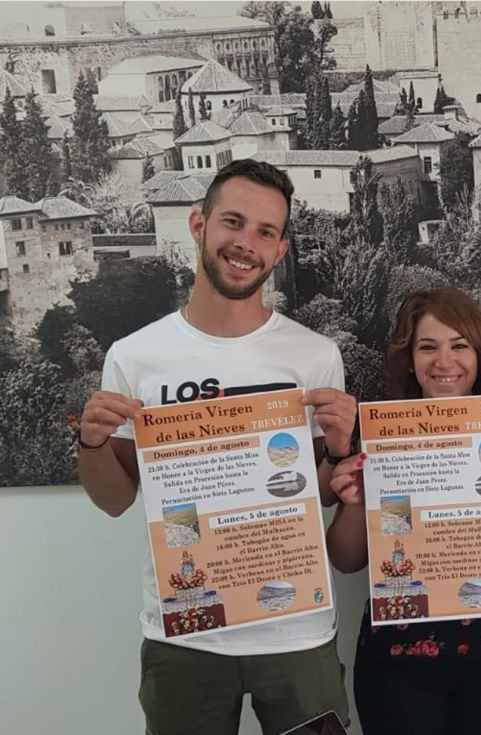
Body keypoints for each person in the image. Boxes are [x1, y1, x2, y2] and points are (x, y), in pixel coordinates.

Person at [77, 159, 356, 734]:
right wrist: (91, 441)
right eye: (234, 222)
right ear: (199, 225)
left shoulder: (316, 356)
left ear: (280, 251)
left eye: (266, 232)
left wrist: (335, 450)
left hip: (296, 630)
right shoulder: (134, 357)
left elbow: (318, 496)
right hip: (186, 634)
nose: (245, 243)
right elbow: (114, 500)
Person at [324, 288, 481, 735]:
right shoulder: (382, 439)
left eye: (459, 345)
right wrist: (355, 502)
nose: (444, 362)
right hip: (398, 665)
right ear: (409, 360)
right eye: (427, 347)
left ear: (479, 355)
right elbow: (346, 560)